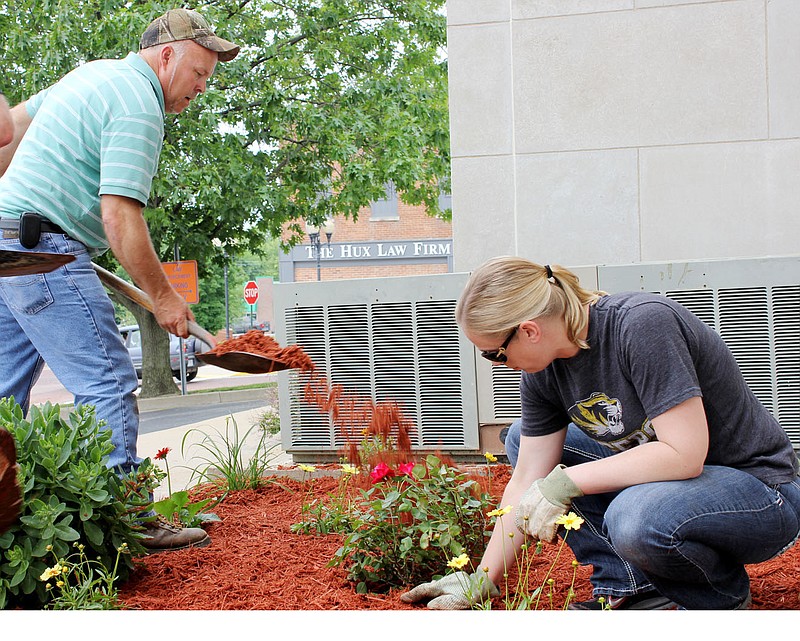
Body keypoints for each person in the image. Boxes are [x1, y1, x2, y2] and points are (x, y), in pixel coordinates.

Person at [401, 256, 800, 610]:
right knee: (523, 440)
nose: (495, 364)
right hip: (677, 488)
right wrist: (481, 578)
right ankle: (636, 586)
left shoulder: (641, 324)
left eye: (494, 352)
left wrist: (566, 483)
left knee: (635, 516)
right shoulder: (544, 372)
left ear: (529, 330)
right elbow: (527, 477)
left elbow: (684, 453)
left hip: (761, 494)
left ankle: (720, 600)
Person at [0, 8, 239, 551]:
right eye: (199, 73)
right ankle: (124, 517)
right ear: (168, 55)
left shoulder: (91, 73)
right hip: (44, 249)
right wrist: (164, 297)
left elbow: (11, 127)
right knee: (107, 381)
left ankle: (7, 517)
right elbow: (120, 217)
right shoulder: (140, 104)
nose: (202, 88)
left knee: (2, 392)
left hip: (5, 240)